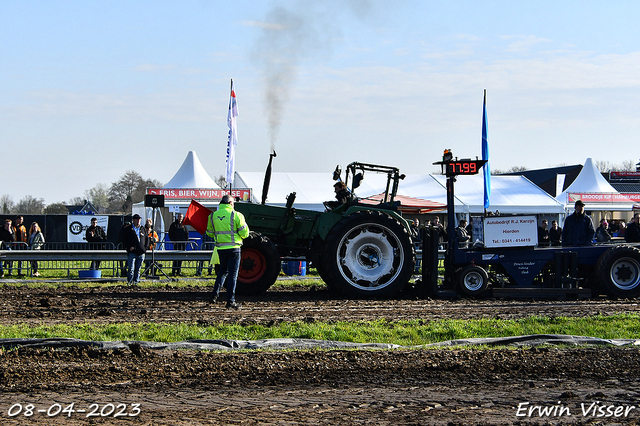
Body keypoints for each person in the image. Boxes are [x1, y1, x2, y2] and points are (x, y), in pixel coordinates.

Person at [206, 194, 250, 309]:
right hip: (234, 249)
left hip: (221, 249)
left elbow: (209, 233)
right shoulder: (236, 215)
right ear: (230, 203)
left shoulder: (212, 216)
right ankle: (230, 301)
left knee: (222, 272)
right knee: (233, 275)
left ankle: (214, 296)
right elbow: (245, 234)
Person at [121, 214, 149, 285]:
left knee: (138, 269)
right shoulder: (129, 229)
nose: (138, 221)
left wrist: (145, 248)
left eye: (139, 219)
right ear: (133, 220)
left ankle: (136, 282)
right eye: (136, 219)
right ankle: (130, 282)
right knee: (131, 268)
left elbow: (147, 239)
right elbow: (124, 239)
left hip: (141, 252)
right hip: (132, 252)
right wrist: (128, 247)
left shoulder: (142, 229)